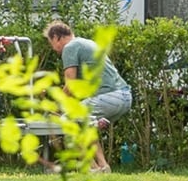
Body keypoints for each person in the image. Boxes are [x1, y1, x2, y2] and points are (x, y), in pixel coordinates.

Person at [42, 18, 133, 167]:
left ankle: (93, 168)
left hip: (112, 96)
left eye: (51, 43)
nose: (53, 48)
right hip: (123, 96)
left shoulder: (70, 47)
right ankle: (103, 167)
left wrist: (55, 106)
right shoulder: (85, 43)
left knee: (67, 122)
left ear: (57, 37)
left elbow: (70, 86)